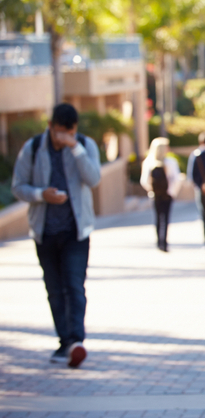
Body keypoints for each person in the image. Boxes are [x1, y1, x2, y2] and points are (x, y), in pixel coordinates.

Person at [11, 103, 102, 368]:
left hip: (76, 231)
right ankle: (64, 341)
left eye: (69, 132)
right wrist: (42, 195)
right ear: (50, 126)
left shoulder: (84, 146)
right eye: (60, 132)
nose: (63, 137)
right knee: (54, 290)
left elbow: (94, 178)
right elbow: (18, 186)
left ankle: (76, 341)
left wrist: (76, 148)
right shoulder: (34, 148)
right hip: (45, 231)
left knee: (74, 286)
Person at [140, 137, 182, 252]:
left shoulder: (148, 162)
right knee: (165, 218)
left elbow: (144, 181)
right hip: (167, 195)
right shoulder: (170, 162)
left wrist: (152, 190)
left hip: (155, 195)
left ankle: (159, 242)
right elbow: (176, 179)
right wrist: (171, 192)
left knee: (158, 218)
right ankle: (164, 242)